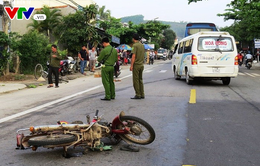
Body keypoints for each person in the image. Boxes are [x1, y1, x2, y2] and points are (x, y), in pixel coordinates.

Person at [130, 33, 145, 99]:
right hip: (141, 64)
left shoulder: (135, 45)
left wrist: (131, 65)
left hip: (136, 65)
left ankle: (138, 94)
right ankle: (142, 94)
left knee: (135, 80)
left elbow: (133, 56)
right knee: (140, 80)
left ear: (133, 38)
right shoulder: (142, 45)